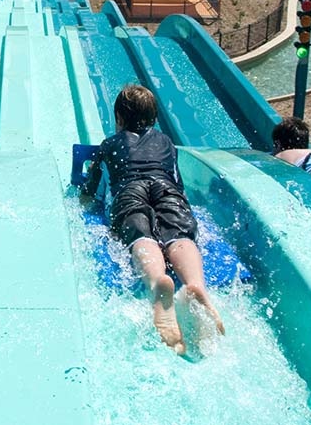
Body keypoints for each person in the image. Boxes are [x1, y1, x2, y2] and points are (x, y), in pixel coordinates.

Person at [79, 85, 224, 354]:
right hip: (166, 188)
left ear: (119, 118)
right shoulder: (166, 142)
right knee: (179, 234)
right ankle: (195, 284)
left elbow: (90, 188)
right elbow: (177, 184)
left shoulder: (110, 144)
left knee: (141, 234)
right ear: (155, 118)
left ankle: (158, 281)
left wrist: (83, 200)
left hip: (130, 190)